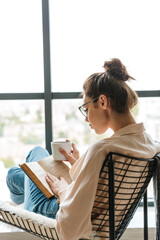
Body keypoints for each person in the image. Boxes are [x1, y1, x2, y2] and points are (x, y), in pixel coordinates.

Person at [6, 58, 160, 240]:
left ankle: (23, 205)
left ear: (102, 102)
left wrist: (63, 190)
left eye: (85, 109)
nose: (86, 119)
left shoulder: (103, 149)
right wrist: (80, 164)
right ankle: (24, 200)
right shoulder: (149, 144)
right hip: (95, 213)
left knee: (21, 168)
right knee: (30, 165)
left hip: (61, 212)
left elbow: (70, 226)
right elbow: (106, 187)